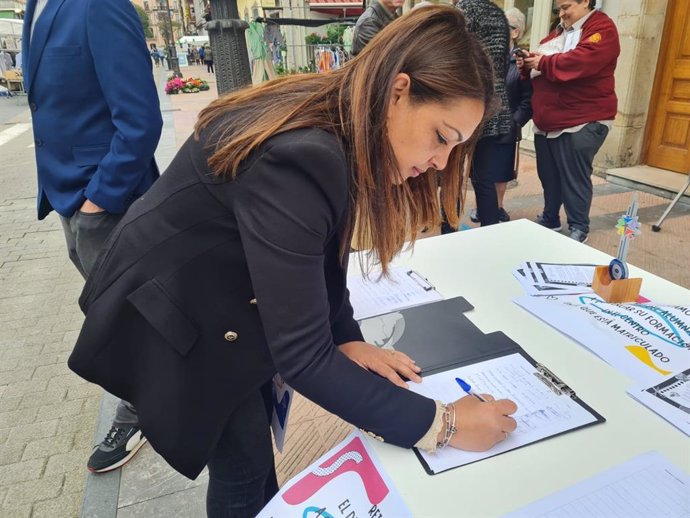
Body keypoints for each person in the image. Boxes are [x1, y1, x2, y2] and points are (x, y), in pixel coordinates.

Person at [68, 7, 518, 517]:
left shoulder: (340, 121)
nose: (439, 163)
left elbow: (325, 250)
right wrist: (444, 424)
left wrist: (345, 336)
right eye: (441, 137)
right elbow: (302, 358)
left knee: (253, 455)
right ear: (399, 91)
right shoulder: (305, 153)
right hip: (175, 313)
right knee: (241, 463)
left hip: (222, 294)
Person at [22, 0, 162, 473]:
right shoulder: (35, 6)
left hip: (104, 201)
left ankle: (143, 411)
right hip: (67, 195)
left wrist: (98, 199)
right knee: (113, 311)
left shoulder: (99, 5)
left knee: (124, 315)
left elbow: (140, 119)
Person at [517, 0, 619, 243]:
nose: (561, 14)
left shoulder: (602, 28)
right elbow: (539, 66)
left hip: (582, 119)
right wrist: (527, 63)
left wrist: (541, 62)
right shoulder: (557, 34)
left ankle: (579, 227)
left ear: (586, 2)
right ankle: (551, 217)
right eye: (559, 9)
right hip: (549, 120)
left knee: (574, 176)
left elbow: (580, 62)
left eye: (566, 7)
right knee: (549, 175)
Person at [456, 0, 513, 229]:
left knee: (451, 175)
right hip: (495, 103)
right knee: (484, 178)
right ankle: (490, 230)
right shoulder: (498, 14)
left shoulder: (465, 10)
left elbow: (457, 58)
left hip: (467, 101)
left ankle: (448, 228)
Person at [493, 7, 533, 221]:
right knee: (480, 171)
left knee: (501, 171)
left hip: (506, 126)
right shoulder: (487, 55)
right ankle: (485, 205)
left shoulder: (521, 62)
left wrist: (514, 122)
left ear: (515, 32)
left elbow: (528, 101)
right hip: (482, 126)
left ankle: (497, 208)